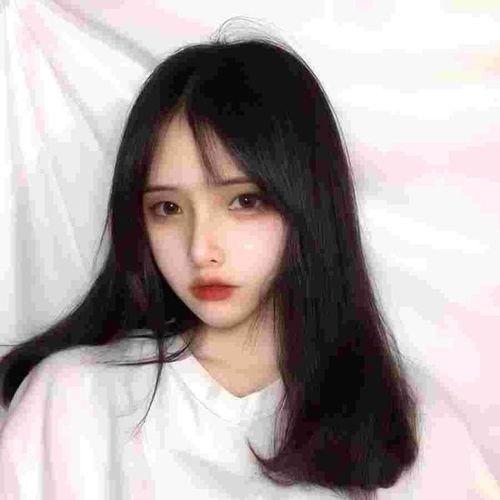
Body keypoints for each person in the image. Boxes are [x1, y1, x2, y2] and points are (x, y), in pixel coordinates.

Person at [0, 18, 494, 500]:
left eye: (243, 201)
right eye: (168, 209)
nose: (200, 249)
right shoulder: (71, 400)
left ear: (308, 204)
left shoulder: (406, 420)